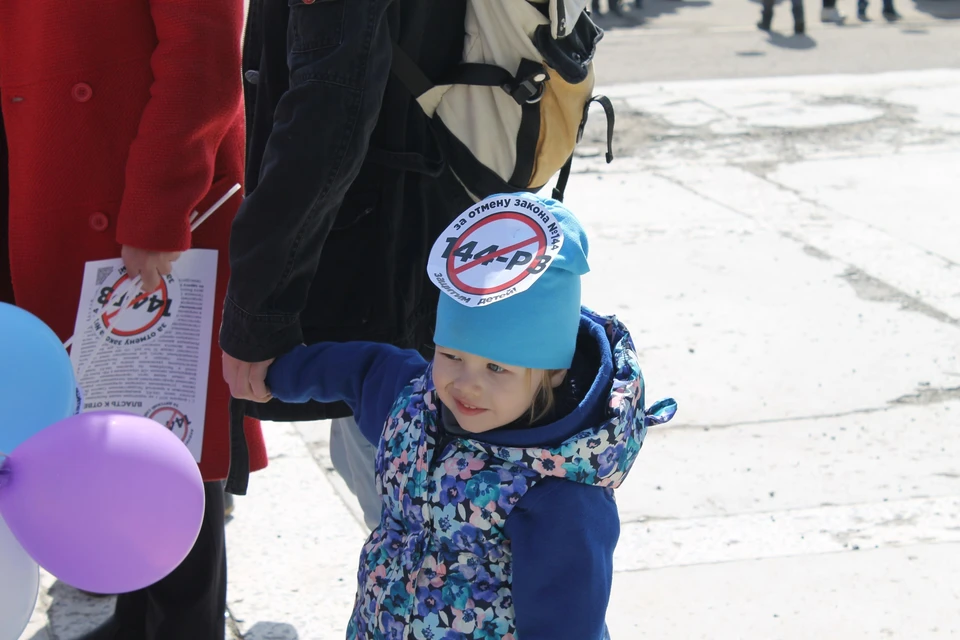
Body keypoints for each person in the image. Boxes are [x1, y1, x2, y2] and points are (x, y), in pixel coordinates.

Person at [262, 193, 677, 639]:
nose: (466, 383)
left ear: (553, 373)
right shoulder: (415, 404)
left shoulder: (557, 493)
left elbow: (569, 624)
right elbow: (363, 371)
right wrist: (275, 373)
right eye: (451, 354)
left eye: (497, 367)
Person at [0, 2, 268, 638]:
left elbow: (201, 58)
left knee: (167, 434)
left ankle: (186, 626)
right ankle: (132, 612)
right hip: (40, 163)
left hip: (132, 197)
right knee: (90, 428)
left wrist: (158, 208)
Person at [221, 0, 474, 527]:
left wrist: (259, 311)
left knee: (413, 525)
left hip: (383, 244)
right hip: (438, 215)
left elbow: (327, 110)